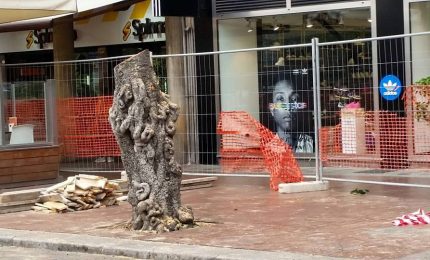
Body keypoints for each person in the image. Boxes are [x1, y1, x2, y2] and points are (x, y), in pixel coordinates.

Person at [269, 80, 314, 153]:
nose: (288, 106)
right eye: (280, 99)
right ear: (271, 109)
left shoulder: (313, 145)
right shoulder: (267, 149)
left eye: (294, 99)